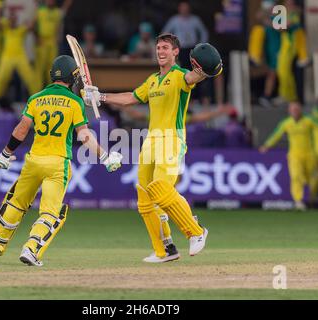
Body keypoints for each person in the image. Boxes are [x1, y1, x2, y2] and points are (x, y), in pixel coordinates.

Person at [82, 34, 223, 263]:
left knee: (160, 188)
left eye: (165, 48)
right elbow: (130, 98)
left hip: (171, 139)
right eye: (158, 48)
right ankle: (165, 250)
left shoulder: (180, 77)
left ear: (176, 52)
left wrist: (207, 70)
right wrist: (101, 96)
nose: (160, 51)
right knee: (145, 197)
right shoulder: (153, 80)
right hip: (150, 141)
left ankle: (196, 231)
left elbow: (195, 76)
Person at [0, 55, 123, 266]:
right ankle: (31, 249)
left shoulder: (36, 98)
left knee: (17, 203)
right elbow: (84, 136)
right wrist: (105, 157)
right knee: (50, 212)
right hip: (57, 164)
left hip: (33, 161)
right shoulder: (75, 102)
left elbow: (21, 130)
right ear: (72, 77)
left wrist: (5, 153)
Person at [259, 102, 318, 210]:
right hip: (294, 154)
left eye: (297, 109)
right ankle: (298, 200)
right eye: (293, 110)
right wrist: (267, 145)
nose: (295, 112)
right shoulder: (286, 123)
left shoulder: (309, 120)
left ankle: (310, 198)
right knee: (296, 176)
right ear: (289, 111)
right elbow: (276, 135)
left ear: (300, 110)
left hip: (310, 154)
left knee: (312, 178)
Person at [0, 12, 39, 102]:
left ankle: (38, 97)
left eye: (14, 20)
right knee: (1, 78)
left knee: (30, 77)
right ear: (8, 21)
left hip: (20, 57)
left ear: (16, 21)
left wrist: (35, 16)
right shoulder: (5, 29)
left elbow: (31, 27)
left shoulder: (21, 29)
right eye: (10, 20)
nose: (12, 21)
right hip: (7, 57)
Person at [34, 0, 73, 88]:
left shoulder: (57, 12)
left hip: (52, 43)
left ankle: (50, 90)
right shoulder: (40, 11)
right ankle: (37, 92)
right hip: (42, 43)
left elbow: (65, 7)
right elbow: (33, 25)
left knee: (52, 69)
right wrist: (36, 37)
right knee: (39, 70)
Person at [162, 1, 208, 69]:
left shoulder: (195, 19)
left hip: (193, 49)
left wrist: (201, 45)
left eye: (186, 8)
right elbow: (165, 33)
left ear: (189, 9)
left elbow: (204, 32)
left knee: (194, 69)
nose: (184, 10)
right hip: (180, 48)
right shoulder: (174, 20)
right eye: (182, 8)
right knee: (181, 68)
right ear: (179, 9)